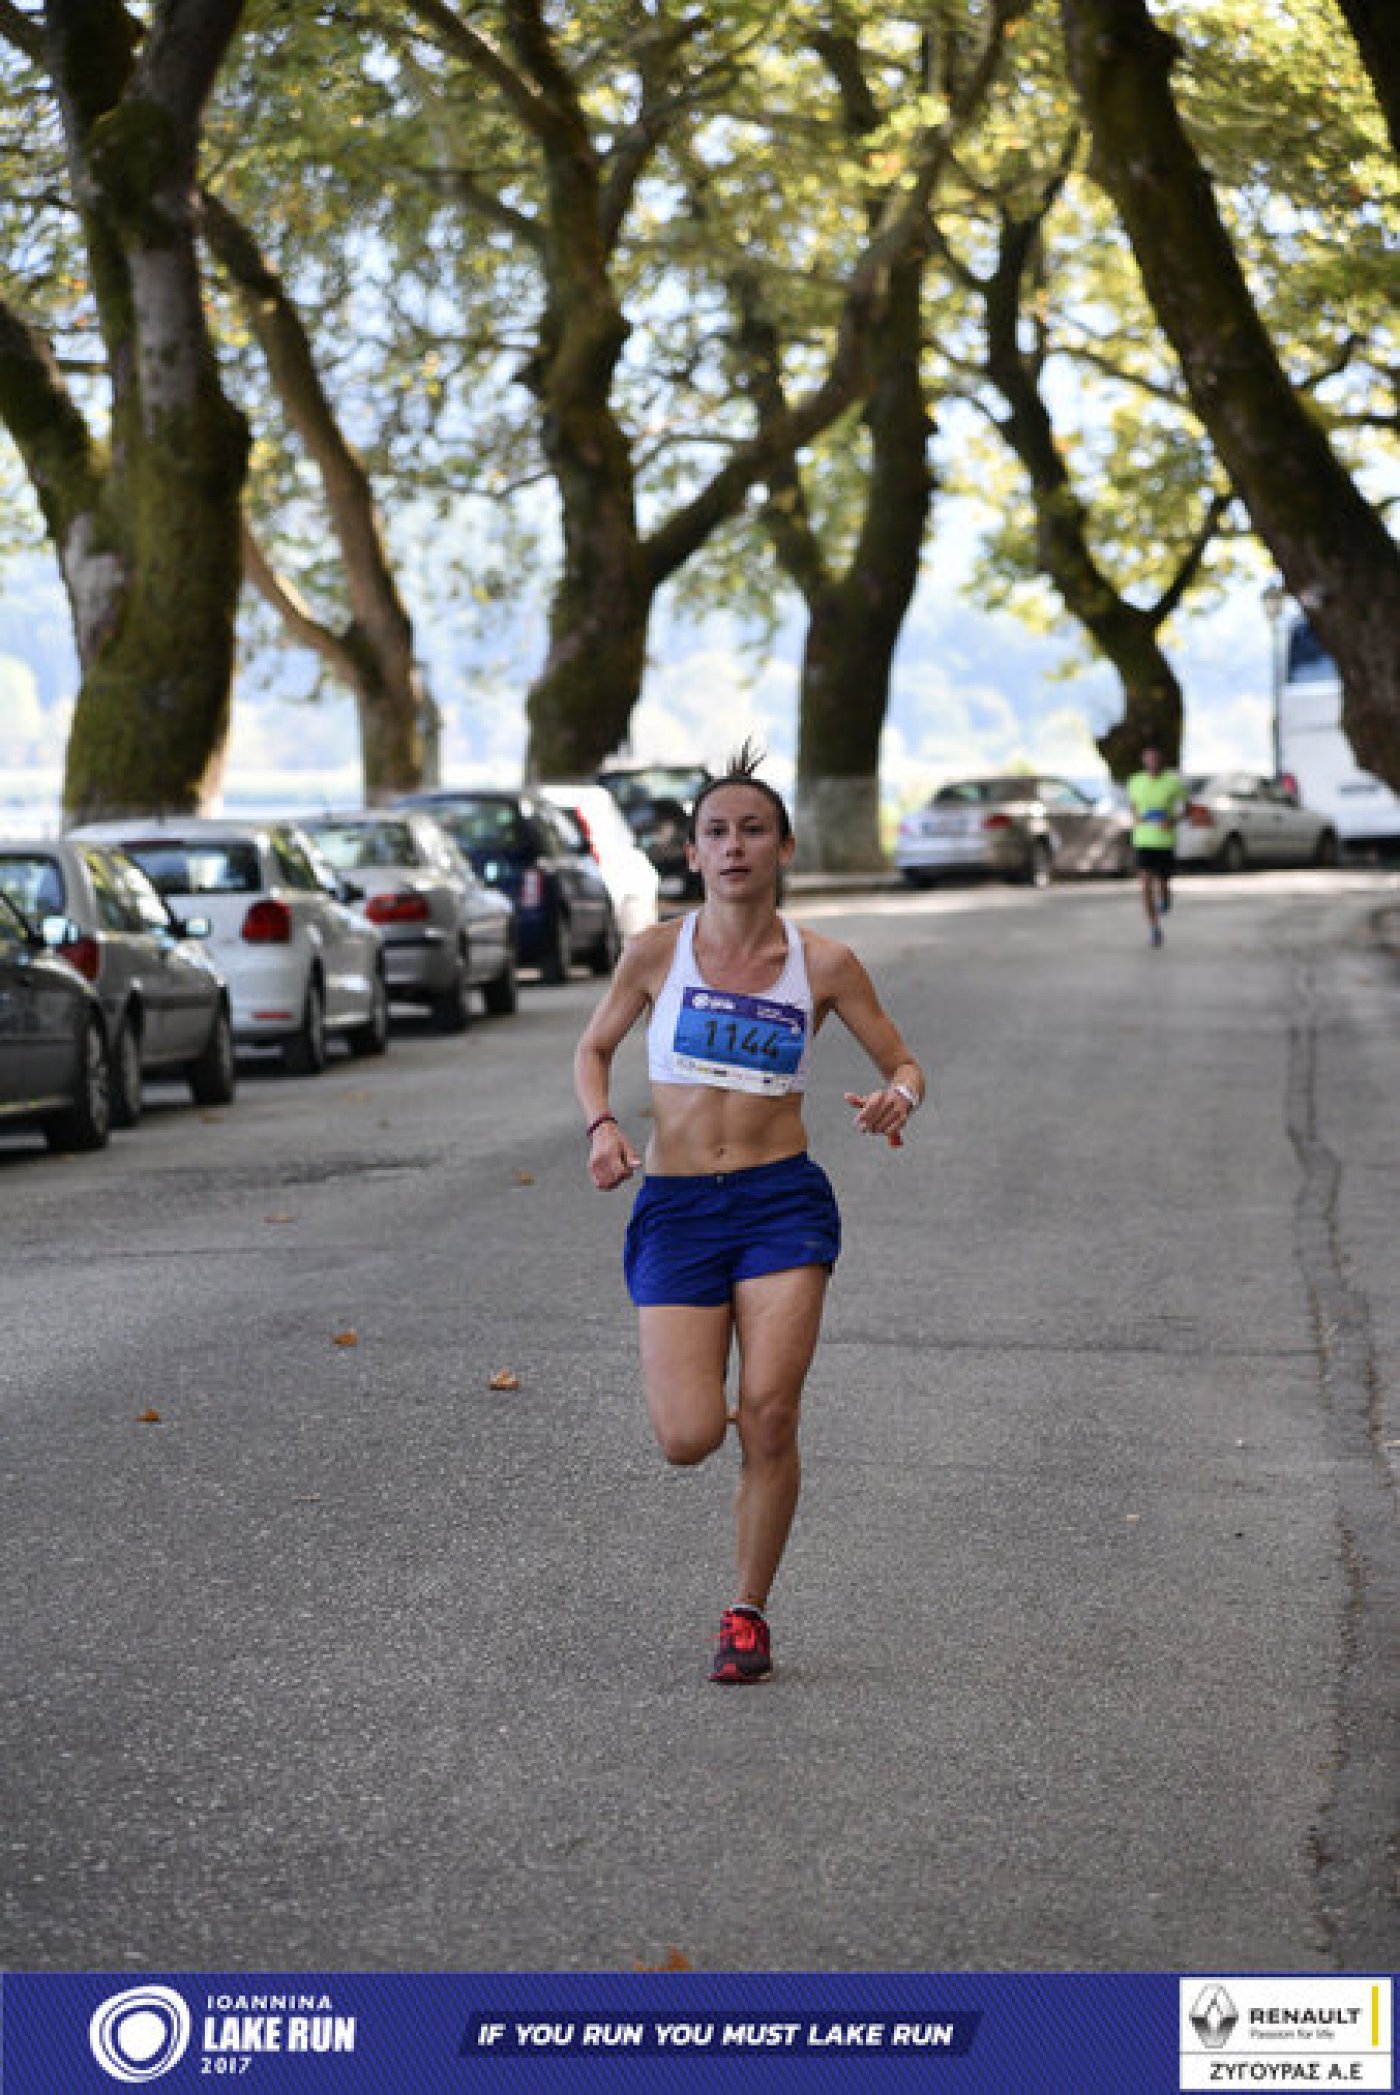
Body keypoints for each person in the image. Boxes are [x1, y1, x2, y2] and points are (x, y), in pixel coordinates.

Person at [574, 743, 925, 1684]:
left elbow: (903, 1061)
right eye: (717, 832)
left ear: (783, 848)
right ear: (693, 852)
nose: (735, 846)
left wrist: (898, 1096)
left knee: (769, 1414)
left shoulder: (825, 963)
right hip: (678, 1207)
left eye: (754, 830)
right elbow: (593, 1048)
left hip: (780, 1203)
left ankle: (747, 1612)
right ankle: (717, 1402)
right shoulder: (654, 953)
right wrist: (603, 1126)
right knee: (689, 1436)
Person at [1126, 744, 1187, 947]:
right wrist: (1136, 817)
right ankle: (1154, 929)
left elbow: (1184, 808)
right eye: (1149, 758)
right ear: (1144, 760)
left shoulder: (1173, 782)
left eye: (1155, 758)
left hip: (1164, 841)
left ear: (1161, 760)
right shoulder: (1135, 781)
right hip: (1143, 840)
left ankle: (1165, 896)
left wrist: (1172, 820)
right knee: (1145, 886)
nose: (1152, 762)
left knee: (1163, 882)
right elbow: (1132, 805)